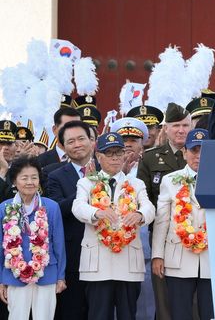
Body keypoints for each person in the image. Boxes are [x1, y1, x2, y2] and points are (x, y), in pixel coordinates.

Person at [72, 132, 155, 320]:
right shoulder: (86, 182)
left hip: (128, 261)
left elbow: (150, 207)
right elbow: (77, 207)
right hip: (98, 263)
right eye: (109, 153)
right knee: (99, 314)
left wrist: (140, 214)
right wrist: (96, 212)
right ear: (99, 157)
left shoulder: (136, 183)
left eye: (118, 152)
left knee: (128, 314)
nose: (115, 158)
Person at [152, 129, 213, 320]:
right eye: (194, 150)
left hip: (211, 258)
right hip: (177, 257)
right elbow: (162, 220)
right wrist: (157, 255)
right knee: (180, 313)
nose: (199, 156)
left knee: (211, 313)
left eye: (204, 150)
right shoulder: (170, 180)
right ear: (185, 153)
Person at [137, 103, 190, 320]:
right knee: (164, 298)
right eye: (176, 125)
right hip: (163, 237)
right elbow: (145, 198)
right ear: (165, 129)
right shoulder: (150, 158)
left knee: (193, 300)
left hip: (198, 239)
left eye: (186, 125)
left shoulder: (203, 155)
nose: (181, 130)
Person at [0, 156, 66, 319]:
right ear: (15, 181)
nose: (30, 182)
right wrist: (1, 279)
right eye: (24, 178)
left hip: (47, 272)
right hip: (14, 273)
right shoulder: (4, 208)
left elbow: (59, 243)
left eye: (34, 177)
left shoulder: (51, 207)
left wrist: (61, 276)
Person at [47, 120, 96, 320]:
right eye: (71, 141)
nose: (77, 145)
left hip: (107, 250)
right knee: (73, 310)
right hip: (73, 252)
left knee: (100, 309)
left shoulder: (109, 168)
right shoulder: (55, 175)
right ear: (63, 146)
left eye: (81, 139)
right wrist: (85, 186)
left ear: (92, 141)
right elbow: (56, 209)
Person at [0, 121, 19, 202]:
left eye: (9, 143)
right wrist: (3, 171)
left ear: (16, 146)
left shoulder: (21, 169)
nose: (5, 147)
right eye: (1, 143)